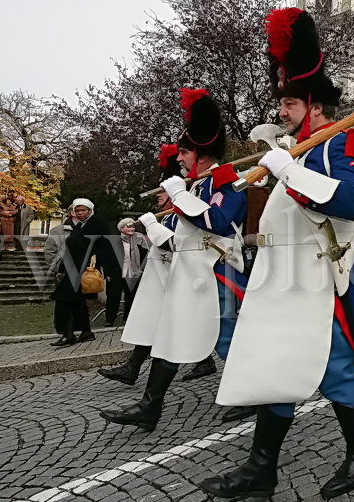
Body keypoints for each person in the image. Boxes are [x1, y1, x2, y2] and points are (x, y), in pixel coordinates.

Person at [202, 7, 354, 500]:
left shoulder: (349, 140)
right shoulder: (295, 148)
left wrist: (288, 169)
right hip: (281, 280)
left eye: (287, 102)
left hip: (324, 281)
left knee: (337, 368)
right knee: (275, 363)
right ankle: (262, 469)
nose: (280, 110)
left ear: (314, 105)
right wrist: (280, 158)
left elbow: (351, 202)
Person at [101, 89, 249, 431]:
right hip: (191, 273)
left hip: (216, 272)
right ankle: (150, 407)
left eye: (184, 152)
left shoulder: (228, 180)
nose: (179, 159)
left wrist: (179, 195)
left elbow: (219, 222)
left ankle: (259, 396)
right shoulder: (198, 185)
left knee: (229, 338)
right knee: (172, 333)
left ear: (200, 150)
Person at [97, 146, 180, 387]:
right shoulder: (168, 215)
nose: (157, 196)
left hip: (180, 278)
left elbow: (172, 244)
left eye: (162, 192)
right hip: (163, 278)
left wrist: (153, 227)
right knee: (156, 323)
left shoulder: (177, 214)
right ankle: (133, 369)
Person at [49, 199, 116, 347]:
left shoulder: (98, 222)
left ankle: (69, 335)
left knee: (65, 300)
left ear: (90, 210)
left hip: (84, 269)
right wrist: (61, 269)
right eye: (77, 211)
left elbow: (105, 246)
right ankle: (85, 332)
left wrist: (108, 270)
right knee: (77, 301)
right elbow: (71, 250)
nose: (80, 213)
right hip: (73, 269)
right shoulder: (79, 226)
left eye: (83, 210)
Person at [105, 217, 149, 327]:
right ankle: (109, 320)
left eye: (132, 226)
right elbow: (107, 258)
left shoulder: (140, 239)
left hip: (133, 272)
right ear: (121, 229)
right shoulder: (114, 241)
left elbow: (146, 255)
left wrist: (142, 270)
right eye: (127, 226)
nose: (131, 228)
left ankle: (127, 318)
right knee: (113, 296)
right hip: (117, 272)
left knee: (131, 296)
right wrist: (108, 273)